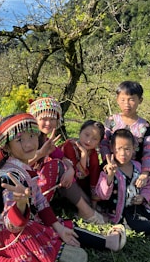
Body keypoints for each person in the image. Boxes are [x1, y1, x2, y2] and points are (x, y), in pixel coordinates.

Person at [0, 113, 126, 262]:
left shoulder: (21, 166)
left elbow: (40, 201)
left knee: (60, 227)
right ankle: (66, 249)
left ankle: (73, 246)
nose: (29, 144)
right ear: (7, 148)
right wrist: (21, 204)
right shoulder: (9, 178)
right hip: (10, 236)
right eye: (19, 140)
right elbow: (12, 225)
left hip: (26, 223)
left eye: (31, 136)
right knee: (51, 231)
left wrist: (58, 227)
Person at [28, 96, 106, 224]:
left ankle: (86, 210)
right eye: (43, 119)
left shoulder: (46, 140)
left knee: (63, 167)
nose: (48, 123)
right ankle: (87, 213)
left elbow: (62, 158)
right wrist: (40, 154)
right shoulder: (28, 138)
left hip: (43, 188)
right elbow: (18, 165)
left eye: (52, 119)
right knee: (57, 166)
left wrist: (70, 169)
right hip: (25, 189)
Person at [100, 80, 150, 218]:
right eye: (123, 99)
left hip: (134, 170)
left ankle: (141, 208)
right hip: (112, 167)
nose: (127, 104)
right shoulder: (111, 121)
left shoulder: (144, 126)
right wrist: (108, 162)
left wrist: (145, 173)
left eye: (131, 99)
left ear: (140, 100)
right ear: (117, 99)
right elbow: (104, 144)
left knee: (134, 195)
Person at [96, 129, 150, 235]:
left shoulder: (137, 166)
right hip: (121, 212)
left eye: (127, 149)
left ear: (133, 149)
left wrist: (143, 197)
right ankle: (141, 219)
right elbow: (102, 195)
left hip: (138, 207)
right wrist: (110, 176)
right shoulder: (108, 169)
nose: (123, 153)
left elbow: (147, 186)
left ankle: (149, 212)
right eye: (119, 149)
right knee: (147, 228)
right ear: (112, 148)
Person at [61, 120, 105, 209]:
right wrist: (84, 155)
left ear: (99, 142)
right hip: (67, 184)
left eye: (95, 139)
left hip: (83, 186)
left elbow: (94, 176)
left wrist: (94, 203)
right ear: (80, 132)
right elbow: (77, 174)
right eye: (87, 135)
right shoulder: (69, 146)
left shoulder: (93, 154)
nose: (89, 141)